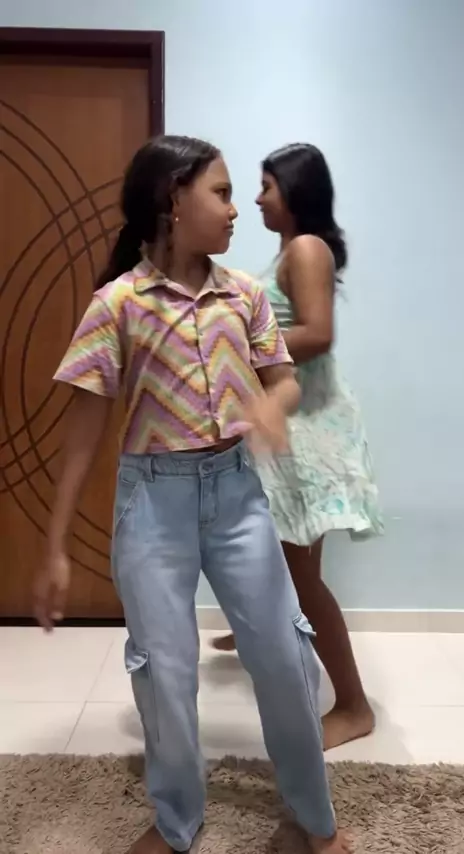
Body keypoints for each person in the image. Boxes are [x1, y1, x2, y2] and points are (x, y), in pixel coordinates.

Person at [33, 136, 351, 854]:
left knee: (284, 654)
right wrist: (54, 547)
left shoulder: (243, 296)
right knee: (164, 670)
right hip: (153, 505)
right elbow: (83, 431)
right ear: (173, 199)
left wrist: (273, 405)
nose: (235, 210)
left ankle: (314, 819)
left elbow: (284, 379)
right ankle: (177, 820)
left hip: (238, 497)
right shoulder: (117, 304)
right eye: (222, 192)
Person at [213, 143, 383, 751]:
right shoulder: (289, 250)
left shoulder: (307, 247)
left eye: (266, 186)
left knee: (303, 575)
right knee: (280, 556)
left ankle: (355, 707)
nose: (256, 199)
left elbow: (317, 334)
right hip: (295, 425)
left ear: (295, 189)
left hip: (309, 431)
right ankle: (256, 628)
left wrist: (236, 341)